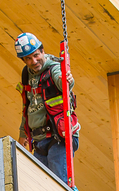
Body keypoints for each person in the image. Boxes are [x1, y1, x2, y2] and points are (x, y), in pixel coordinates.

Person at [15, 32, 79, 182]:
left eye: (36, 55)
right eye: (28, 58)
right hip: (39, 140)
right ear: (23, 60)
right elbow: (28, 107)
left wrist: (67, 80)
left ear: (42, 51)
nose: (34, 61)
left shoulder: (54, 68)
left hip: (58, 137)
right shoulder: (27, 75)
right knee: (42, 186)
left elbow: (62, 81)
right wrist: (22, 135)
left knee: (60, 184)